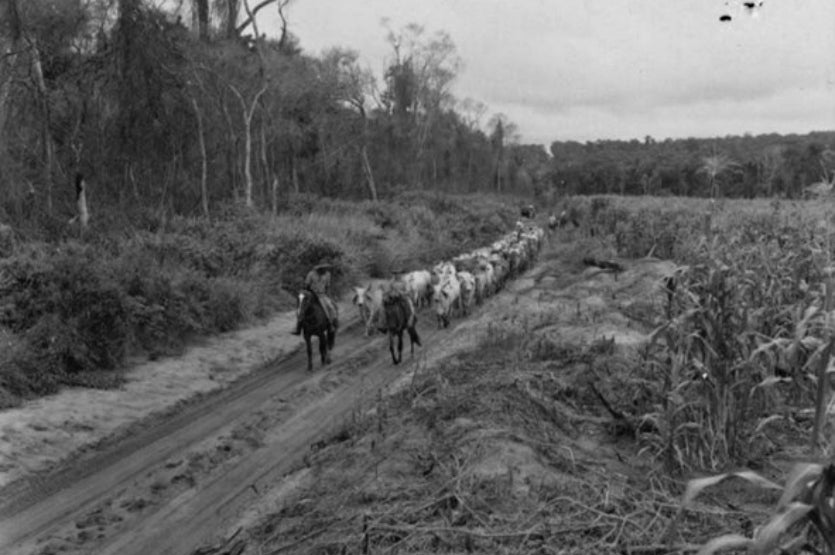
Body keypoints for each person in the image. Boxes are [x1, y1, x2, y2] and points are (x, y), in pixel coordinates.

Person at [292, 263, 338, 336]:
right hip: (312, 294)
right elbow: (307, 285)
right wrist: (307, 293)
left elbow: (327, 286)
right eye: (323, 268)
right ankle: (298, 327)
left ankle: (331, 324)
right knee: (302, 307)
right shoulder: (311, 274)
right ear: (319, 268)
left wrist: (329, 295)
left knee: (331, 307)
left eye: (325, 268)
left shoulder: (327, 274)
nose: (324, 270)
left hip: (322, 294)